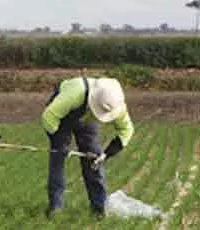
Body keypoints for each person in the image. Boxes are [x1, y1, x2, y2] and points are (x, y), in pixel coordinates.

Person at [40, 76, 134, 219]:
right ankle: (56, 207)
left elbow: (126, 132)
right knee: (59, 157)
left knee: (94, 160)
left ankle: (99, 208)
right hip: (61, 116)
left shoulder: (115, 105)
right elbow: (48, 117)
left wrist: (106, 154)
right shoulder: (73, 94)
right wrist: (61, 144)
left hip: (88, 120)